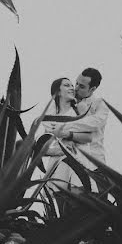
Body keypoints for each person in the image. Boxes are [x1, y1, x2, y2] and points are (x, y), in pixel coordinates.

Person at [51, 67, 109, 191]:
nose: (76, 88)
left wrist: (65, 129)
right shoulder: (65, 103)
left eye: (81, 86)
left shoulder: (99, 104)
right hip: (66, 162)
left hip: (94, 165)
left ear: (92, 89)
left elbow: (92, 124)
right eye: (76, 83)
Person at [39, 77, 90, 208]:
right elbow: (44, 146)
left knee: (79, 198)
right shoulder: (50, 118)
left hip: (79, 157)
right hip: (59, 160)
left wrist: (66, 135)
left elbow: (89, 137)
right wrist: (57, 150)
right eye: (67, 85)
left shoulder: (80, 108)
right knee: (61, 201)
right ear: (58, 92)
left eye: (72, 85)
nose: (72, 88)